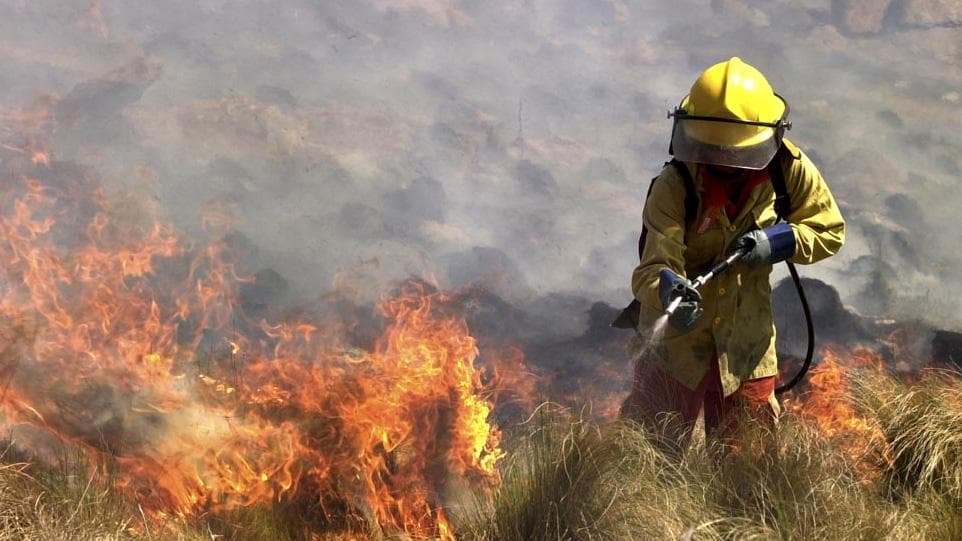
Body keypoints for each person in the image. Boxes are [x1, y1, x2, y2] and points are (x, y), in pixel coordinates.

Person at [619, 57, 845, 455]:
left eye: (733, 152)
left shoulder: (787, 169)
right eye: (712, 150)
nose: (723, 161)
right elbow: (652, 267)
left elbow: (828, 230)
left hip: (746, 348)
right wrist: (669, 289)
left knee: (746, 468)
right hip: (674, 349)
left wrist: (779, 241)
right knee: (649, 457)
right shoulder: (675, 184)